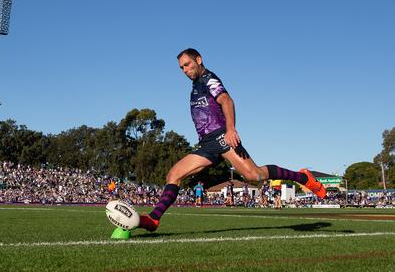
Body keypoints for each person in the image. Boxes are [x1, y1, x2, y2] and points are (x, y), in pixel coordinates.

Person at [138, 48, 326, 231]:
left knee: (254, 175)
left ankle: (303, 177)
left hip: (222, 137)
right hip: (206, 145)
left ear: (199, 59)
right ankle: (153, 219)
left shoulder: (209, 79)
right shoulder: (196, 85)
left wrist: (230, 129)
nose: (185, 70)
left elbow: (226, 100)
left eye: (187, 65)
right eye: (181, 68)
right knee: (173, 175)